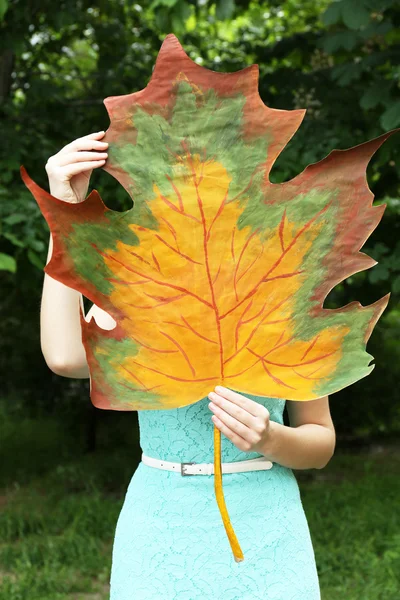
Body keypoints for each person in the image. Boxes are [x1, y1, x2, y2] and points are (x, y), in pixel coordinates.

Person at [41, 130, 336, 600]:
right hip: (160, 526)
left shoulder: (283, 292)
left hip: (267, 531)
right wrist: (64, 214)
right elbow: (65, 356)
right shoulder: (139, 292)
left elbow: (320, 441)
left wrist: (270, 438)